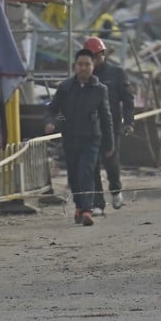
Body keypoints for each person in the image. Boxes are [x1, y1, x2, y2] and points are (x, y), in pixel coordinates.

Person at [44, 49, 114, 227]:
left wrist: (109, 143)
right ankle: (79, 206)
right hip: (70, 138)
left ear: (93, 66)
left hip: (91, 139)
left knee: (86, 171)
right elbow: (53, 110)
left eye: (87, 64)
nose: (84, 68)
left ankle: (86, 210)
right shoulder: (65, 88)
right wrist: (53, 122)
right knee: (74, 175)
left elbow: (106, 118)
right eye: (80, 64)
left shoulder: (100, 90)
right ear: (75, 66)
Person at [83, 37, 135, 214]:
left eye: (95, 57)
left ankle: (115, 189)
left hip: (111, 128)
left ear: (102, 54)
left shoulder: (117, 73)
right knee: (93, 165)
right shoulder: (85, 77)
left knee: (111, 162)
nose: (93, 61)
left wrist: (128, 122)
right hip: (90, 128)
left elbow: (128, 100)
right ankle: (98, 203)